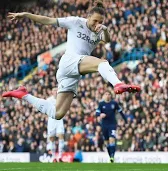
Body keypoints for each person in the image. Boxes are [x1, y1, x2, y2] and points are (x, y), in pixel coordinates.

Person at [2, 1, 141, 121]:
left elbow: (107, 39)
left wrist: (104, 28)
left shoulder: (99, 32)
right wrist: (26, 15)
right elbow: (48, 20)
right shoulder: (75, 22)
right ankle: (118, 84)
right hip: (69, 61)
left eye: (101, 22)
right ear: (88, 17)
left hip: (72, 73)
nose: (97, 24)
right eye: (95, 21)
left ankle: (24, 94)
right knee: (102, 63)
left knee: (57, 113)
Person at [96, 91, 127, 163]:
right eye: (106, 94)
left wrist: (125, 120)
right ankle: (110, 156)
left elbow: (120, 111)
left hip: (112, 124)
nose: (107, 95)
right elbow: (97, 112)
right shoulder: (101, 104)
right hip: (104, 125)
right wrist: (100, 115)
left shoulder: (114, 103)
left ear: (110, 95)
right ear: (104, 96)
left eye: (109, 94)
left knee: (112, 139)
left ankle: (112, 156)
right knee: (106, 142)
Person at [46, 88, 65, 163]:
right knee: (52, 138)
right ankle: (54, 157)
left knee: (61, 136)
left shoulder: (62, 99)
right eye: (54, 90)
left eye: (57, 90)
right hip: (51, 120)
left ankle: (60, 156)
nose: (56, 91)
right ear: (52, 92)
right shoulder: (48, 100)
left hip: (59, 119)